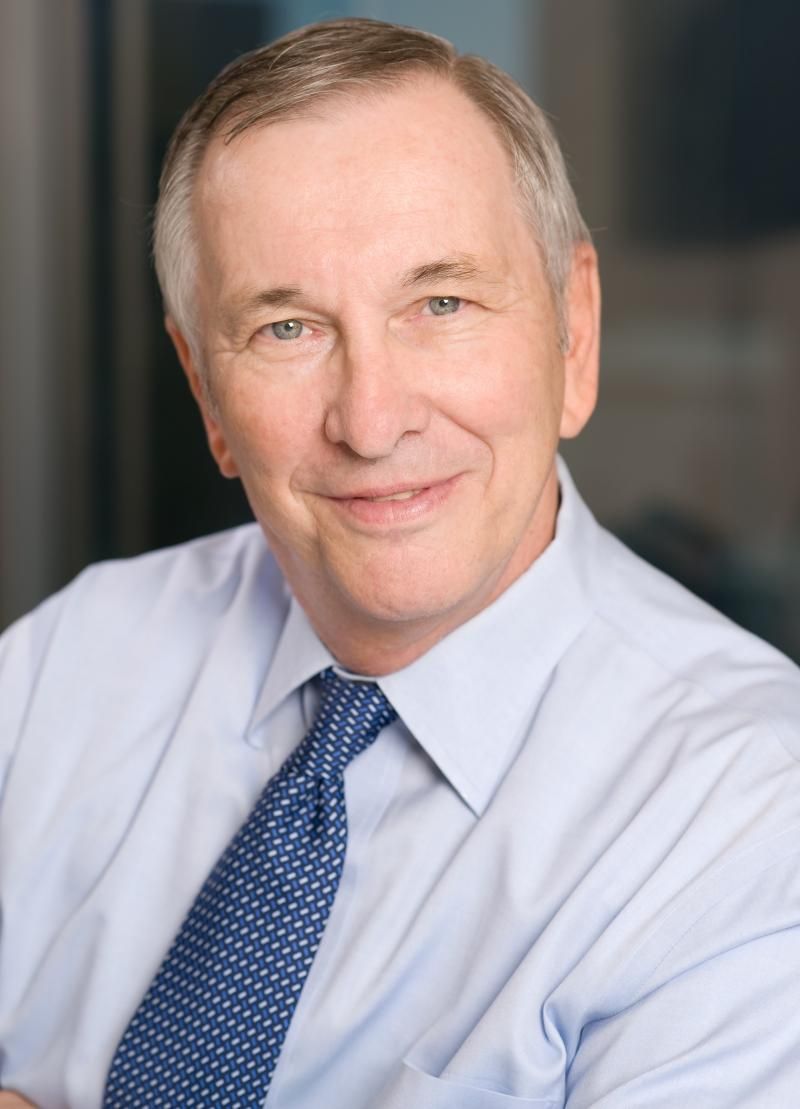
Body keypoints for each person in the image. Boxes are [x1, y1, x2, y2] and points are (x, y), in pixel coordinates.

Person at [1, 16, 799, 1109]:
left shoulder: (748, 809)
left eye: (440, 304)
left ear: (572, 337)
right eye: (286, 328)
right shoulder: (72, 659)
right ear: (206, 394)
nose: (370, 420)